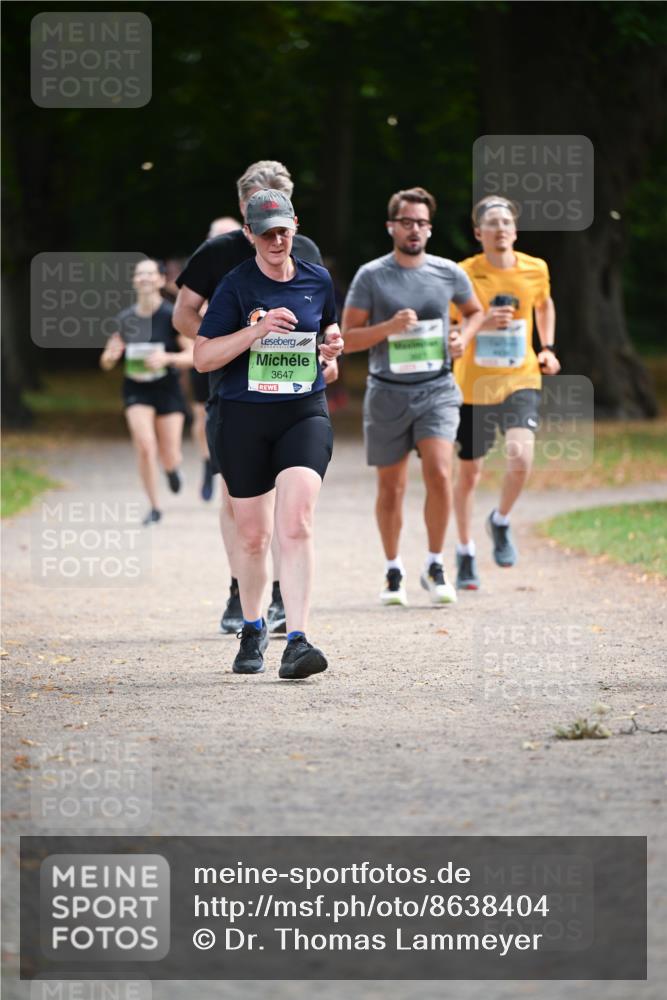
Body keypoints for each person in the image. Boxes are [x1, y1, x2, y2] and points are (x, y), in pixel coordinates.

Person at [174, 160, 337, 635]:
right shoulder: (218, 253)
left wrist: (325, 353)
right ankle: (239, 589)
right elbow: (184, 316)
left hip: (295, 396)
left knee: (294, 507)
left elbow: (322, 321)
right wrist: (232, 344)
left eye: (278, 209)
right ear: (243, 212)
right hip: (234, 393)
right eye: (255, 209)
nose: (271, 229)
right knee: (240, 504)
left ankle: (284, 596)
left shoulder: (306, 254)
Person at [342, 187, 484, 607]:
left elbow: (475, 312)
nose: (415, 230)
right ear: (391, 226)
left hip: (437, 388)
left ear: (430, 228)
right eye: (407, 222)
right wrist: (388, 328)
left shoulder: (447, 272)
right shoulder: (371, 276)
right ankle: (393, 569)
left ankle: (436, 563)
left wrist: (462, 337)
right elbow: (347, 338)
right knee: (392, 487)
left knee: (439, 471)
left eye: (422, 223)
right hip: (387, 392)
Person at [451, 195, 559, 589]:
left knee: (521, 456)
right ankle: (465, 551)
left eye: (506, 223)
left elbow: (544, 305)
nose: (500, 229)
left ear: (515, 231)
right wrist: (481, 322)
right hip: (473, 384)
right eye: (492, 223)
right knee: (469, 474)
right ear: (478, 233)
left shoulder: (535, 268)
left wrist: (547, 348)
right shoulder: (462, 273)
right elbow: (452, 326)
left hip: (520, 377)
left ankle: (500, 519)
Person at [100, 258, 193, 525]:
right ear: (134, 281)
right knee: (144, 445)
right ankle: (154, 506)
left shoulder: (171, 316)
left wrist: (167, 358)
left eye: (150, 274)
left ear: (161, 280)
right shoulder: (125, 319)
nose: (144, 278)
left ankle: (172, 469)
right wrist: (111, 355)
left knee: (169, 453)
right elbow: (106, 361)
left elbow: (193, 355)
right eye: (139, 274)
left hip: (167, 388)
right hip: (136, 388)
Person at [190, 215, 243, 502]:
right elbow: (185, 314)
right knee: (202, 416)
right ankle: (206, 461)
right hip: (207, 356)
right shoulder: (205, 270)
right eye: (218, 236)